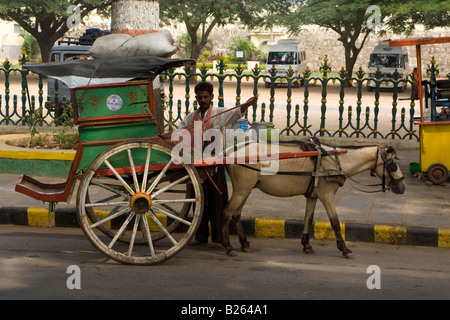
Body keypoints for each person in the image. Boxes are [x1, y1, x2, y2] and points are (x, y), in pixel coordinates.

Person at [179, 81, 257, 248]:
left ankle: (218, 238)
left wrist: (247, 105)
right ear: (196, 98)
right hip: (197, 166)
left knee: (218, 202)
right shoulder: (190, 118)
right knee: (198, 200)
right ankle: (200, 236)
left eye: (206, 97)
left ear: (212, 97)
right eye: (199, 97)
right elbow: (180, 132)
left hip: (216, 165)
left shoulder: (219, 114)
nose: (203, 100)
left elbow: (236, 113)